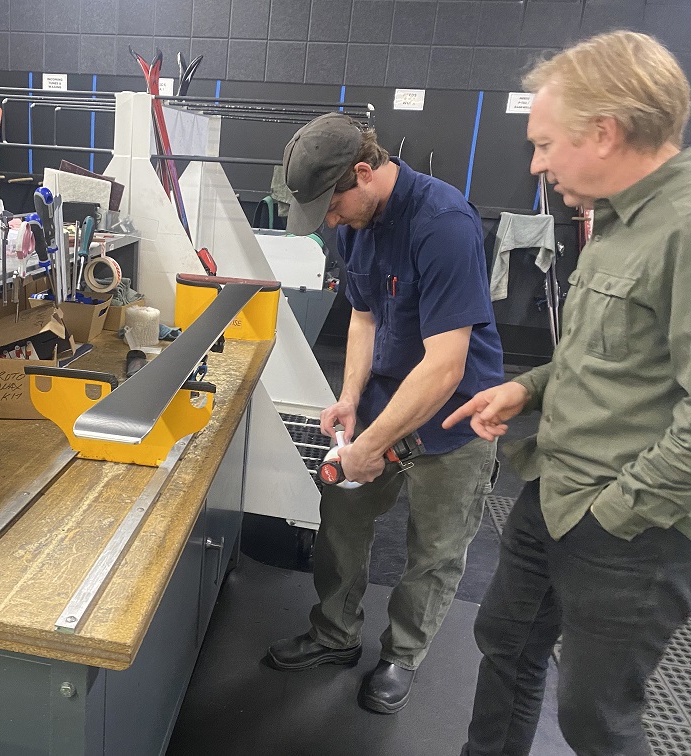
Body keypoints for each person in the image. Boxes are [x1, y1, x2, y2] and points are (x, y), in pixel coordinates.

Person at [446, 30, 691, 756]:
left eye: (545, 145)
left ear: (604, 132)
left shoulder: (681, 231)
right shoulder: (614, 222)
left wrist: (613, 513)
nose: (535, 164)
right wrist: (524, 391)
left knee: (596, 719)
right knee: (506, 643)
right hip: (552, 488)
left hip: (627, 526)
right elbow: (605, 359)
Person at [266, 112, 503, 714]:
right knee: (341, 514)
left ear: (364, 172)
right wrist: (350, 398)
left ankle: (402, 655)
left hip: (456, 415)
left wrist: (371, 447)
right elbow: (365, 317)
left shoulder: (443, 223)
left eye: (333, 206)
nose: (330, 221)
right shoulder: (355, 224)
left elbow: (445, 366)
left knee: (436, 548)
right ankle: (335, 634)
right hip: (382, 398)